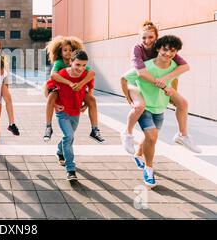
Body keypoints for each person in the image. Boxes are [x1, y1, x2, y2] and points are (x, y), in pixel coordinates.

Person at [121, 21, 201, 154]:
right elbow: (141, 73)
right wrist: (128, 96)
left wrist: (169, 86)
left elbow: (184, 67)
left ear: (156, 37)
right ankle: (127, 134)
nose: (147, 41)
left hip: (157, 82)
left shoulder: (166, 48)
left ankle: (183, 135)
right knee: (139, 106)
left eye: (151, 37)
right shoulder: (138, 49)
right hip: (135, 82)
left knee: (183, 103)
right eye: (144, 37)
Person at [121, 35, 189, 187]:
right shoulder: (146, 66)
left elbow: (175, 78)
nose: (168, 54)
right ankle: (149, 169)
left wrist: (172, 93)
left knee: (150, 138)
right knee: (152, 137)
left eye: (173, 51)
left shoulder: (173, 67)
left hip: (160, 107)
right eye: (165, 50)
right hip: (145, 107)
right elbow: (124, 78)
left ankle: (138, 155)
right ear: (158, 49)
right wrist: (129, 97)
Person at [43, 36, 104, 144]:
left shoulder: (78, 62)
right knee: (51, 96)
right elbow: (53, 75)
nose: (68, 52)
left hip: (76, 88)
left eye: (71, 50)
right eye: (65, 50)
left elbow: (91, 73)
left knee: (92, 100)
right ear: (59, 51)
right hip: (60, 88)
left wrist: (86, 102)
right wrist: (69, 84)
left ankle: (95, 129)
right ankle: (48, 126)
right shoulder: (59, 62)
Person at [48, 50, 94, 181]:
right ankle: (70, 169)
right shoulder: (61, 74)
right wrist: (55, 105)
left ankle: (59, 151)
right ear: (71, 62)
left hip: (76, 110)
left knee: (68, 137)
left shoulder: (86, 75)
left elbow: (90, 89)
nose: (81, 68)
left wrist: (87, 103)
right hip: (62, 111)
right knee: (69, 136)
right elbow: (48, 89)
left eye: (84, 65)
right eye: (78, 65)